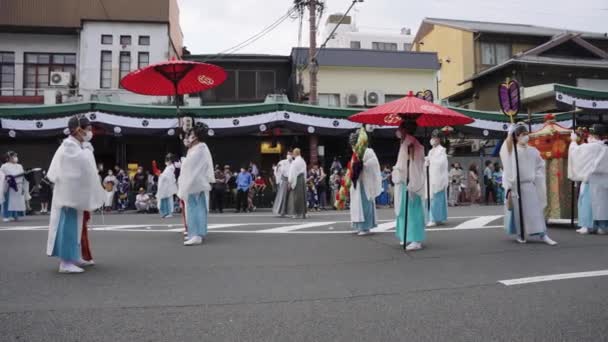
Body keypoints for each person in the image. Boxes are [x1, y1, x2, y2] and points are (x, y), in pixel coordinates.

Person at [46, 115, 105, 273]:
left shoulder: (76, 146)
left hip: (74, 194)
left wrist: (85, 150)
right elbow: (81, 167)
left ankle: (73, 256)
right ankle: (65, 262)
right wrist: (87, 152)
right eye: (88, 129)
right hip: (68, 196)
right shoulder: (70, 147)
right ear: (79, 130)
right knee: (69, 227)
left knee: (77, 227)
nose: (90, 132)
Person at [500, 123, 557, 245]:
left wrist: (536, 178)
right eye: (522, 135)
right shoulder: (513, 150)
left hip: (530, 185)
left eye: (526, 134)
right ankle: (520, 235)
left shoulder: (533, 151)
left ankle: (543, 234)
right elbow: (506, 153)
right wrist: (509, 134)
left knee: (535, 212)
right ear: (517, 137)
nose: (525, 137)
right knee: (519, 213)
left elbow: (540, 166)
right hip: (517, 186)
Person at [177, 123, 215, 246]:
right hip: (194, 182)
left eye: (192, 134)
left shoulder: (201, 147)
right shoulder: (195, 147)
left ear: (197, 136)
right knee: (192, 208)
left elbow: (193, 164)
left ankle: (197, 234)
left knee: (195, 209)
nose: (189, 137)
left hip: (196, 182)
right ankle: (194, 233)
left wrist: (184, 161)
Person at [568, 124, 608, 235]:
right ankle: (602, 226)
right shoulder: (605, 147)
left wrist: (573, 141)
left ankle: (587, 226)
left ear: (593, 135)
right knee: (602, 204)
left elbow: (575, 152)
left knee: (587, 202)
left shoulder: (590, 147)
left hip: (590, 180)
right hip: (603, 181)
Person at [393, 119, 426, 251]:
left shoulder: (412, 143)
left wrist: (411, 181)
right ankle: (406, 235)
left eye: (400, 128)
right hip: (404, 181)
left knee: (412, 211)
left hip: (410, 182)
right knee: (404, 211)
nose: (398, 131)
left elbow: (414, 165)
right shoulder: (406, 143)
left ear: (405, 130)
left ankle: (416, 239)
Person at [349, 131, 382, 236]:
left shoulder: (368, 151)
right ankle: (358, 226)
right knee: (356, 205)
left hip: (366, 182)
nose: (353, 145)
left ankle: (366, 227)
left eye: (355, 142)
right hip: (357, 183)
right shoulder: (355, 153)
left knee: (365, 205)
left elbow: (374, 164)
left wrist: (362, 165)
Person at [425, 131, 449, 227]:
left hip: (439, 177)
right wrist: (426, 161)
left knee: (437, 199)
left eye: (435, 137)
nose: (433, 139)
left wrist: (431, 160)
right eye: (432, 137)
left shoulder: (442, 150)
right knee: (432, 198)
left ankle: (435, 219)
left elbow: (441, 163)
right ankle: (435, 218)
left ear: (439, 139)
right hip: (431, 176)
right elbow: (429, 163)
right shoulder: (430, 151)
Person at [1, 151, 26, 222]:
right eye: (13, 156)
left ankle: (15, 215)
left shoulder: (19, 166)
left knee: (17, 201)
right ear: (8, 158)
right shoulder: (4, 166)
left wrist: (23, 187)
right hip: (9, 184)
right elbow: (4, 175)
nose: (15, 158)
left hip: (19, 184)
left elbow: (22, 175)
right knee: (8, 200)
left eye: (15, 156)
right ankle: (6, 216)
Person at [287, 148, 307, 219]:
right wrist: (305, 180)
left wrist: (290, 182)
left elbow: (292, 173)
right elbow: (305, 172)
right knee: (302, 197)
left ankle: (296, 213)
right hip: (302, 179)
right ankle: (302, 213)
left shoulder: (295, 162)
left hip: (297, 179)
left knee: (296, 197)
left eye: (293, 153)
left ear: (295, 153)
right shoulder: (303, 161)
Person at [156, 153, 178, 218]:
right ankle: (164, 212)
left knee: (169, 199)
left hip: (168, 186)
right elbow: (164, 175)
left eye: (168, 159)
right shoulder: (167, 167)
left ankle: (169, 212)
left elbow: (167, 176)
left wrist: (160, 174)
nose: (167, 161)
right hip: (165, 186)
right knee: (164, 199)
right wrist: (160, 174)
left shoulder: (171, 167)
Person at [272, 151, 292, 216]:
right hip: (284, 180)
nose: (289, 155)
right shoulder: (282, 162)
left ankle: (290, 211)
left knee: (291, 197)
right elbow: (277, 170)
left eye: (290, 154)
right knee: (283, 196)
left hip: (292, 180)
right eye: (288, 154)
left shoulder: (294, 162)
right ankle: (282, 212)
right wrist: (277, 168)